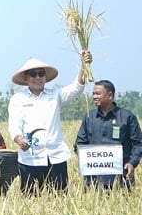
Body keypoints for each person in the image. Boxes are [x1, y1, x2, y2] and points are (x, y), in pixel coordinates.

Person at [7, 52, 91, 194]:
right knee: (31, 202)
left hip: (55, 156)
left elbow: (77, 87)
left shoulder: (55, 95)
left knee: (60, 199)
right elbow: (14, 125)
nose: (38, 78)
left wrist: (84, 65)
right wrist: (19, 139)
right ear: (26, 78)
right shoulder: (18, 99)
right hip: (30, 158)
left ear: (46, 77)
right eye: (33, 74)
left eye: (41, 74)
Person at [74, 79, 142, 190]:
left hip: (121, 178)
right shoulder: (89, 117)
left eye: (98, 93)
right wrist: (86, 159)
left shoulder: (127, 117)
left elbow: (138, 144)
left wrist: (132, 163)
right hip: (94, 179)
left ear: (109, 95)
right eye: (93, 94)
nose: (94, 97)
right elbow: (79, 143)